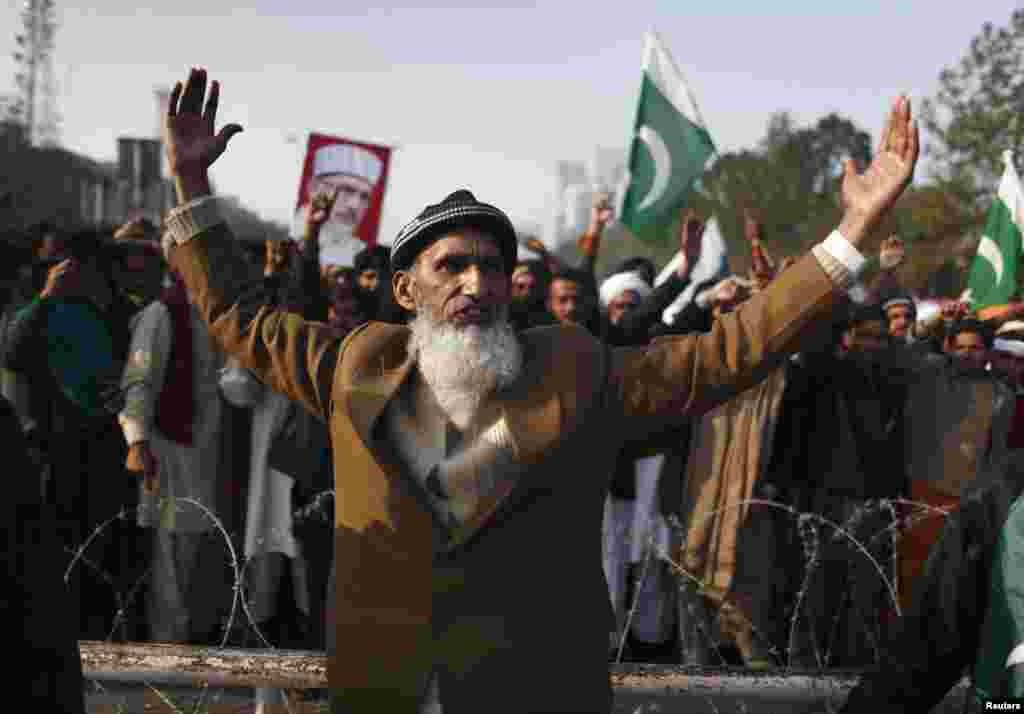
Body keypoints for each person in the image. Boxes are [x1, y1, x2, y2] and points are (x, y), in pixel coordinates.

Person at [159, 67, 917, 713]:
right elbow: (240, 316)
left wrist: (847, 238)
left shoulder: (574, 371)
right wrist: (193, 184)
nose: (477, 282)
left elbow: (728, 351)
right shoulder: (358, 363)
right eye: (451, 265)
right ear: (405, 287)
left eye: (491, 266)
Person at [291, 141, 384, 269]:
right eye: (346, 190)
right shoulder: (286, 236)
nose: (355, 205)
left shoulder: (361, 255)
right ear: (314, 188)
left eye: (364, 197)